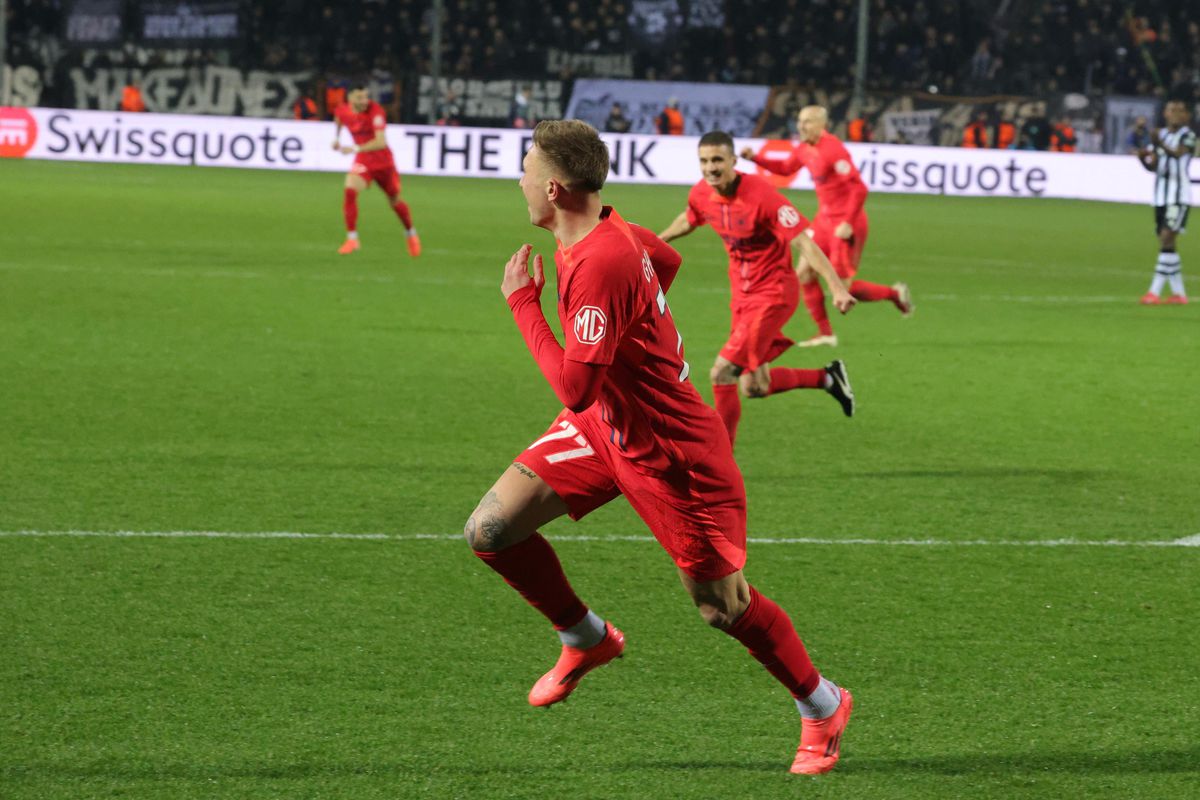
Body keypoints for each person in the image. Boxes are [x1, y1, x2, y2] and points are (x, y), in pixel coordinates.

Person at [469, 119, 853, 776]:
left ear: (554, 189)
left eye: (526, 172)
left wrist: (524, 303)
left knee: (722, 607)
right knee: (490, 530)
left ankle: (823, 703)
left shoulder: (598, 261)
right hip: (606, 428)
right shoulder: (608, 231)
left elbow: (575, 388)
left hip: (670, 455)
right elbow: (666, 263)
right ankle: (585, 637)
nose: (520, 183)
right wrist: (634, 336)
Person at [658, 131, 857, 446]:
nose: (710, 168)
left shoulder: (762, 196)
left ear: (733, 161)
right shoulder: (701, 193)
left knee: (722, 373)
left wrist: (837, 288)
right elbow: (690, 218)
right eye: (704, 161)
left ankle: (721, 461)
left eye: (717, 160)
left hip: (773, 293)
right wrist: (658, 241)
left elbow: (805, 243)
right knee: (754, 386)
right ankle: (828, 378)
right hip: (742, 295)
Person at [742, 105, 913, 347]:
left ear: (822, 125)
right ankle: (825, 333)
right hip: (824, 220)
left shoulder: (834, 149)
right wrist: (755, 158)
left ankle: (894, 294)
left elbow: (859, 188)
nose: (801, 126)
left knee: (842, 287)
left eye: (808, 121)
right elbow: (786, 169)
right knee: (804, 273)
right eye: (800, 121)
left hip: (846, 222)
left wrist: (848, 222)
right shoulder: (804, 148)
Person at [332, 82, 420, 257]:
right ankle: (352, 239)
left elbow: (381, 142)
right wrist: (336, 138)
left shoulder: (376, 111)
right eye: (360, 97)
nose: (364, 101)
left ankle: (411, 233)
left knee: (394, 201)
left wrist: (354, 148)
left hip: (384, 163)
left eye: (366, 97)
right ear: (350, 98)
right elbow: (339, 120)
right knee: (350, 190)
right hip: (364, 161)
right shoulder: (342, 110)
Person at [1137, 99, 1194, 305]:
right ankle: (1179, 294)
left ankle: (1154, 291)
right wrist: (1142, 158)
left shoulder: (1187, 135)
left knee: (1166, 237)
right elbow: (1154, 166)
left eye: (1180, 110)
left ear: (1186, 116)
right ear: (1165, 114)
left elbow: (1178, 154)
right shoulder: (1160, 135)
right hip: (1160, 196)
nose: (1176, 113)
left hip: (1178, 196)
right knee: (1167, 243)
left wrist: (1158, 143)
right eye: (1172, 110)